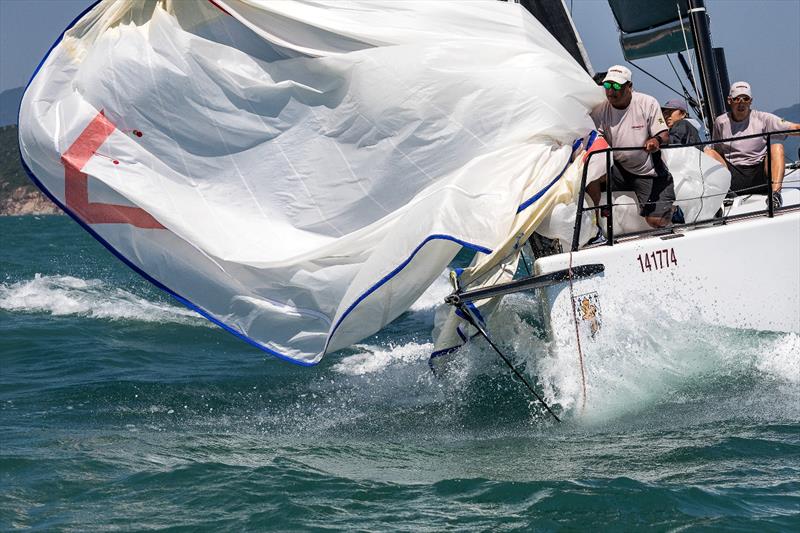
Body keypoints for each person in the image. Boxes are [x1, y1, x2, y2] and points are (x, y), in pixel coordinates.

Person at [588, 65, 681, 228]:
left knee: (656, 221)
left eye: (616, 86)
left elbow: (664, 134)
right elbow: (593, 137)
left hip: (648, 171)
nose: (611, 91)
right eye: (607, 86)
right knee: (589, 174)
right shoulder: (601, 110)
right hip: (618, 169)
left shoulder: (647, 102)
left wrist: (655, 141)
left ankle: (674, 211)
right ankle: (595, 228)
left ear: (629, 87)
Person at [705, 81, 800, 209]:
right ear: (729, 101)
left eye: (745, 99)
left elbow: (793, 127)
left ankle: (775, 194)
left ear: (751, 101)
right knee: (708, 152)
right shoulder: (720, 122)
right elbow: (717, 150)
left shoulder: (763, 118)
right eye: (737, 99)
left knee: (776, 147)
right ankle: (721, 195)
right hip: (733, 175)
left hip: (759, 171)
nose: (741, 103)